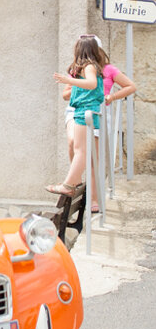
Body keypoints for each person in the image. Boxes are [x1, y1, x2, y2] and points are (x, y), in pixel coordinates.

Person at [60, 36, 136, 212]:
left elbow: (130, 86)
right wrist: (81, 85)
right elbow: (65, 95)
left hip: (97, 112)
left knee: (94, 158)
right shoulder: (79, 69)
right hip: (76, 111)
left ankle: (94, 199)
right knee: (74, 144)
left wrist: (111, 96)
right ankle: (75, 179)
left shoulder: (108, 70)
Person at [48, 35, 106, 198]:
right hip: (84, 110)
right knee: (80, 149)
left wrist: (69, 80)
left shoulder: (89, 66)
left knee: (80, 150)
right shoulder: (90, 67)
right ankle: (71, 182)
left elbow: (92, 84)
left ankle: (68, 184)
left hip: (85, 110)